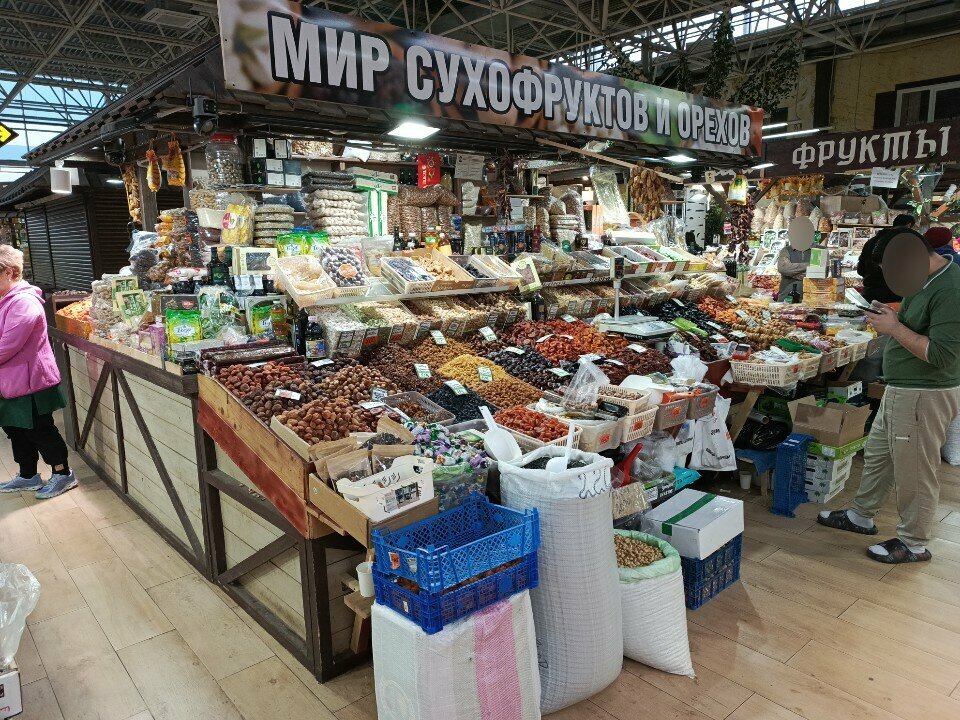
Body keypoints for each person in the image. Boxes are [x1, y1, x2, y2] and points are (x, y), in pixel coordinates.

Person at [818, 230, 960, 563]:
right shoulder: (924, 279)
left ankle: (914, 542)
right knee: (879, 455)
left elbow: (943, 355)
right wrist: (890, 316)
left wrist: (894, 328)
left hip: (924, 393)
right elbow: (917, 325)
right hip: (903, 387)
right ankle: (861, 515)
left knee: (915, 470)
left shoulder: (950, 289)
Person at [0, 246, 76, 498]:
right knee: (16, 430)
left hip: (31, 381)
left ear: (10, 272)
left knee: (40, 430)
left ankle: (63, 474)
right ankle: (27, 475)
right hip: (9, 382)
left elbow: (7, 346)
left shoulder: (23, 302)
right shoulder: (5, 300)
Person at [857, 213, 915, 303]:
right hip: (895, 297)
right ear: (909, 225)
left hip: (870, 294)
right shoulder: (906, 243)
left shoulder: (871, 241)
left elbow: (860, 270)